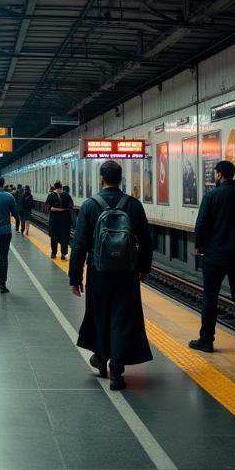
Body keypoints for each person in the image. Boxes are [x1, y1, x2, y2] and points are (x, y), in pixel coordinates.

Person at [69, 160, 154, 391]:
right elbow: (146, 242)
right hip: (127, 272)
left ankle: (100, 356)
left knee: (100, 314)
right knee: (123, 317)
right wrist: (144, 268)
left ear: (101, 178)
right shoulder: (134, 205)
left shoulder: (89, 205)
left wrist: (74, 278)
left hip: (98, 271)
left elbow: (79, 244)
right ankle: (117, 370)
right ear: (121, 179)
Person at [190, 160, 235, 354]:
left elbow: (201, 225)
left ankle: (206, 340)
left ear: (219, 175)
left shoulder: (211, 197)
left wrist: (199, 245)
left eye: (215, 174)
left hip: (214, 256)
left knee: (210, 297)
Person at [46, 181, 73, 260]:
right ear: (61, 187)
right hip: (65, 220)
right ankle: (63, 254)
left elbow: (47, 209)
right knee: (64, 237)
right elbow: (71, 206)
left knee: (54, 237)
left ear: (54, 188)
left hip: (54, 221)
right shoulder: (67, 196)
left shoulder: (50, 196)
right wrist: (64, 209)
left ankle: (53, 253)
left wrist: (54, 208)